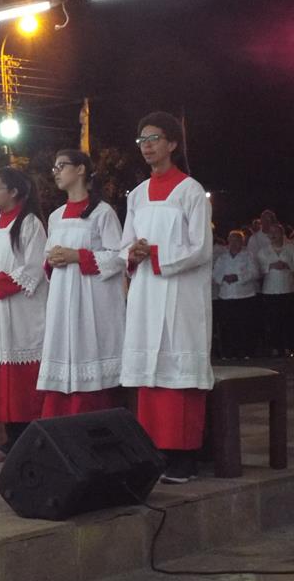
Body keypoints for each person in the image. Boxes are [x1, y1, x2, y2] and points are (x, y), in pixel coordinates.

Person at [121, 111, 213, 484]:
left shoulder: (190, 191)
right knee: (152, 372)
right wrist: (132, 253)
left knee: (179, 371)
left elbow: (201, 248)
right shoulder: (137, 195)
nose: (147, 146)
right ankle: (155, 450)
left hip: (180, 293)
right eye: (142, 140)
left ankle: (184, 455)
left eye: (154, 138)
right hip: (146, 291)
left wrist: (156, 254)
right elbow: (125, 243)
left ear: (173, 143)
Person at [38, 151, 125, 417]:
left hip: (91, 300)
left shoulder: (102, 212)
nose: (56, 172)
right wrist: (51, 260)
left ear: (80, 170)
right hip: (62, 297)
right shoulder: (55, 216)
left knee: (88, 354)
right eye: (54, 167)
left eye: (61, 166)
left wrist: (78, 256)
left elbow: (117, 257)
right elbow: (47, 257)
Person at [0, 168, 48, 463]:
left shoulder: (30, 224)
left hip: (22, 311)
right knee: (2, 384)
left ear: (14, 191)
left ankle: (27, 441)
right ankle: (9, 441)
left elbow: (33, 269)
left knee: (22, 385)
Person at [212, 230, 258, 359]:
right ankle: (228, 352)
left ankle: (246, 352)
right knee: (227, 326)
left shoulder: (248, 255)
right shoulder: (222, 257)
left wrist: (238, 277)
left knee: (244, 325)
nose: (234, 243)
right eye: (231, 240)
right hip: (226, 295)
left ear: (242, 242)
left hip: (245, 295)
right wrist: (223, 278)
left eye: (237, 240)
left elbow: (254, 272)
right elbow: (215, 274)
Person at [255, 224, 293, 356]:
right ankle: (275, 346)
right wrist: (271, 266)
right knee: (273, 319)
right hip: (270, 290)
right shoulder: (263, 251)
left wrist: (287, 265)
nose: (273, 235)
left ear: (282, 234)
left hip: (287, 288)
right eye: (271, 232)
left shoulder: (290, 248)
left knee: (288, 318)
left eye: (276, 232)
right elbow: (259, 270)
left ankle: (288, 346)